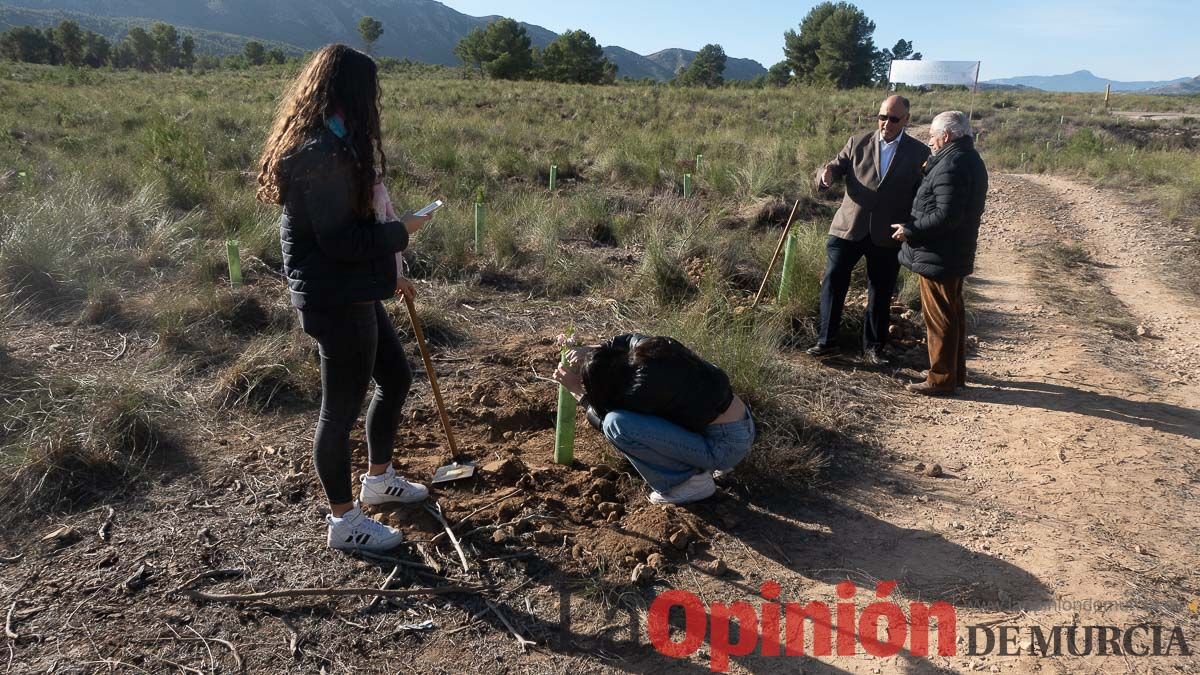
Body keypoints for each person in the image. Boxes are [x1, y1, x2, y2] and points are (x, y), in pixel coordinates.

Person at [256, 44, 434, 552]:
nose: (374, 101)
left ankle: (379, 479)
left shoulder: (333, 141)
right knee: (338, 413)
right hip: (334, 299)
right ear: (350, 92)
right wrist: (402, 233)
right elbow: (340, 242)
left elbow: (348, 232)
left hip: (353, 289)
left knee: (395, 377)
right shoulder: (318, 152)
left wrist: (388, 272)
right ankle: (344, 522)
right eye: (370, 91)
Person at [552, 334, 754, 505]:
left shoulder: (638, 392)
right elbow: (629, 338)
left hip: (723, 447)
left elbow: (605, 420)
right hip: (741, 424)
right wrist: (593, 352)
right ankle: (703, 463)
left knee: (616, 424)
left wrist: (579, 393)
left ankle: (689, 484)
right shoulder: (650, 350)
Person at [808, 95, 931, 365]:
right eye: (882, 116)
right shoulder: (857, 141)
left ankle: (873, 349)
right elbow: (832, 167)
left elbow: (923, 195)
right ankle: (826, 342)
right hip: (848, 228)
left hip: (887, 234)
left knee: (881, 291)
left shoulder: (920, 153)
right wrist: (824, 176)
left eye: (893, 118)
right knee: (833, 282)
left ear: (906, 120)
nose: (886, 123)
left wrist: (911, 226)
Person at [891, 110, 988, 396]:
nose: (930, 141)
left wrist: (910, 230)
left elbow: (946, 215)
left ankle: (941, 379)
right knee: (951, 313)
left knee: (940, 317)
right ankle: (952, 373)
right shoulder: (967, 158)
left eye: (932, 136)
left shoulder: (953, 164)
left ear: (946, 136)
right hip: (951, 252)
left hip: (941, 253)